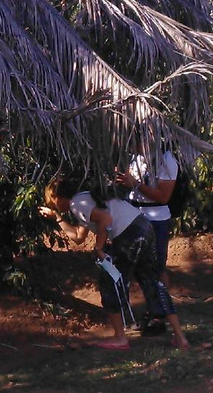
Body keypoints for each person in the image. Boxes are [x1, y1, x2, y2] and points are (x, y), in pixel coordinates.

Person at [40, 177, 189, 351]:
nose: (54, 206)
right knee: (153, 282)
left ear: (57, 197)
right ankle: (180, 337)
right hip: (143, 228)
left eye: (53, 203)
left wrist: (99, 248)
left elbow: (106, 220)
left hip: (128, 235)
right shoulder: (86, 199)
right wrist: (57, 218)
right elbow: (79, 237)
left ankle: (120, 337)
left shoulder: (77, 204)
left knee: (109, 283)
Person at [115, 146, 179, 336]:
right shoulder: (135, 155)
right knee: (137, 268)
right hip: (133, 215)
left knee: (157, 267)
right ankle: (153, 311)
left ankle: (162, 313)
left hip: (156, 218)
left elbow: (163, 196)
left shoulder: (167, 159)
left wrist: (134, 184)